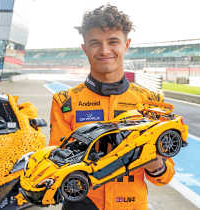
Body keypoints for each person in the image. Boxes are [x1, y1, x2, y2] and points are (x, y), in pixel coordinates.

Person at [49, 4, 175, 210]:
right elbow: (56, 163)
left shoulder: (152, 101)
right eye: (95, 43)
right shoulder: (64, 101)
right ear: (85, 48)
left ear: (126, 45)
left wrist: (156, 164)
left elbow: (165, 176)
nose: (105, 50)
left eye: (113, 41)